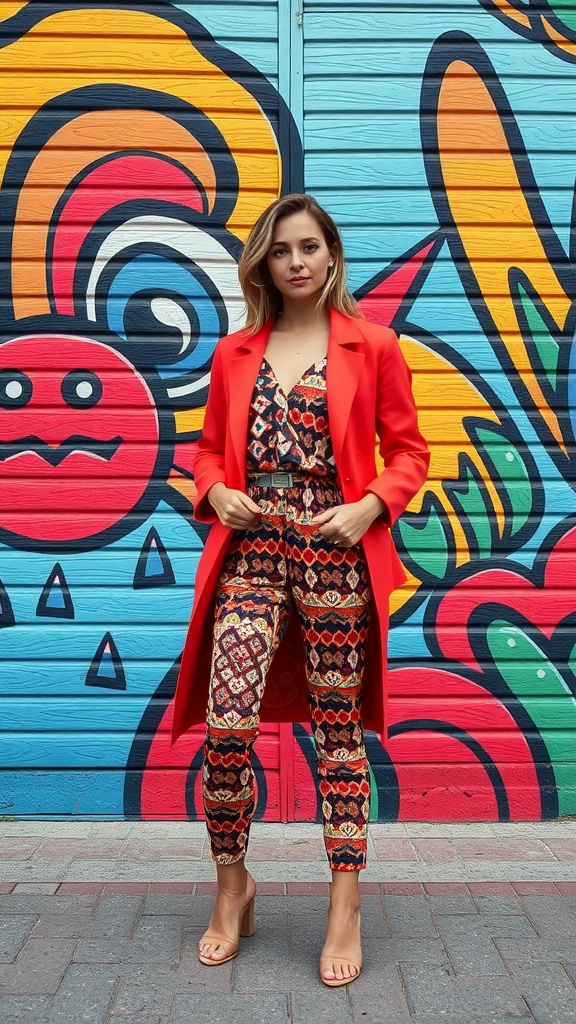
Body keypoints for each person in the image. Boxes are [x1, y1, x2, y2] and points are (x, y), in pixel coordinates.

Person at [171, 193, 430, 986]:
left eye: (310, 247)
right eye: (282, 249)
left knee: (338, 730)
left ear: (331, 257)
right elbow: (209, 453)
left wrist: (373, 504)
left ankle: (344, 903)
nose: (296, 261)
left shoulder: (374, 345)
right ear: (265, 263)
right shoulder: (235, 353)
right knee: (227, 725)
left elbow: (410, 452)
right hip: (252, 553)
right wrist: (212, 493)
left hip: (334, 553)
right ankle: (232, 888)